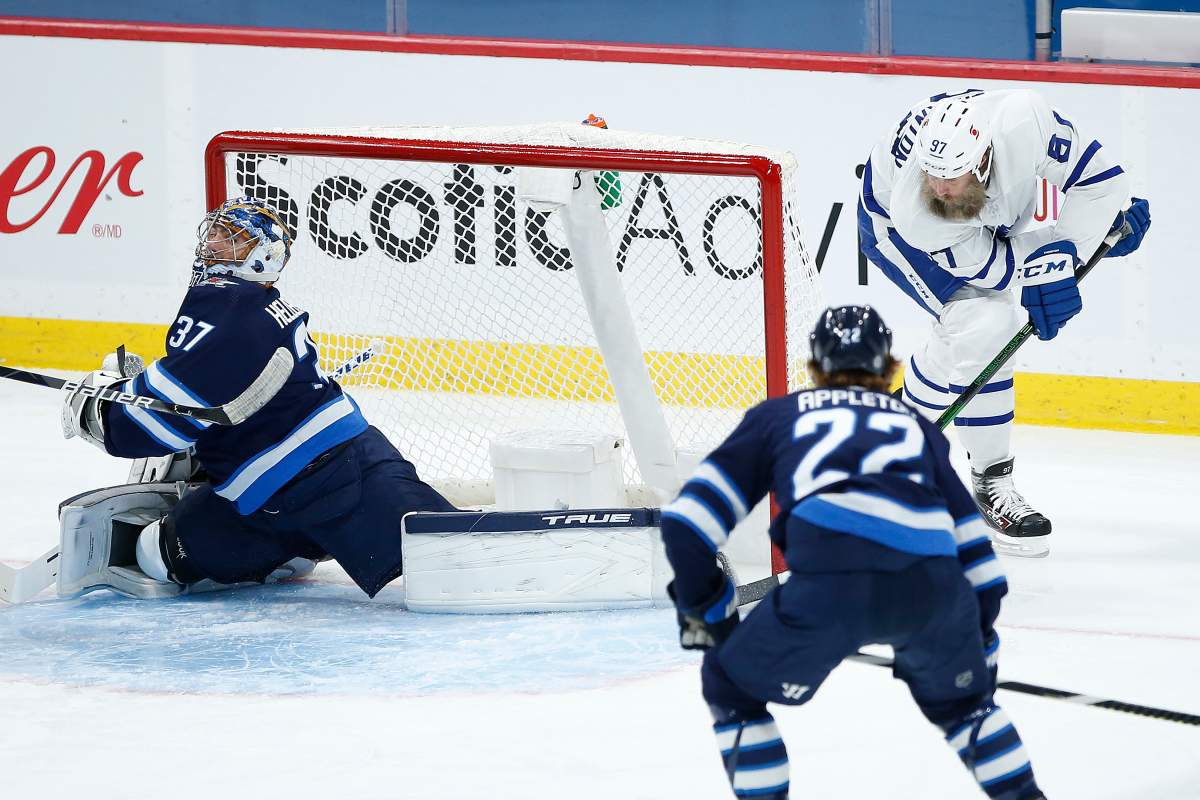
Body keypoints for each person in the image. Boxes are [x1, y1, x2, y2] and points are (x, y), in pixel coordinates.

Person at [662, 306, 1046, 800]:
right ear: (889, 368)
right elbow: (976, 552)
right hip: (932, 591)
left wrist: (708, 612)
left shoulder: (777, 418)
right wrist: (976, 646)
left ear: (815, 369)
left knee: (729, 688)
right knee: (966, 711)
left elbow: (686, 525)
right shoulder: (917, 427)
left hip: (826, 590)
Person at [60, 196, 456, 598]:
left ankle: (300, 542)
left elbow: (149, 428)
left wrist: (98, 411)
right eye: (214, 232)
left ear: (261, 258)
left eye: (230, 237)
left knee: (453, 554)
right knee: (159, 554)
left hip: (341, 473)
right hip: (277, 497)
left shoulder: (228, 312)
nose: (212, 243)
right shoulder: (253, 303)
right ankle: (300, 544)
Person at [858, 88, 1151, 556]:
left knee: (988, 333)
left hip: (991, 201)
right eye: (933, 175)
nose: (938, 187)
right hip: (891, 230)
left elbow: (1099, 181)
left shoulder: (1023, 122)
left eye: (950, 178)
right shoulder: (920, 210)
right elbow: (1005, 273)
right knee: (984, 322)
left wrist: (1087, 235)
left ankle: (940, 452)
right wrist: (1070, 252)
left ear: (981, 159)